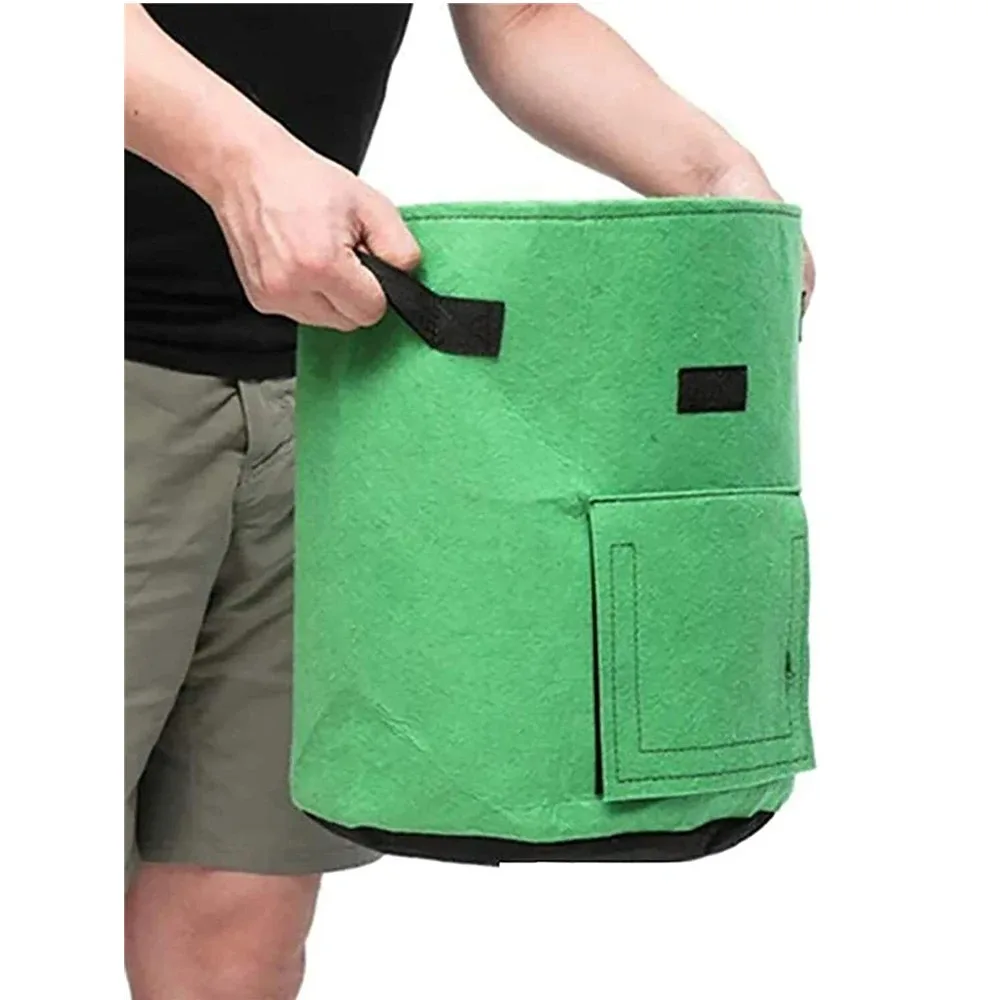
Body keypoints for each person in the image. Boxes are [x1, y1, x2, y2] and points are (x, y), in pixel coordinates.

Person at [124, 4, 816, 998]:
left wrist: (718, 178)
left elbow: (522, 16)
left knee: (239, 918)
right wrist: (242, 161)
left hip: (337, 384)